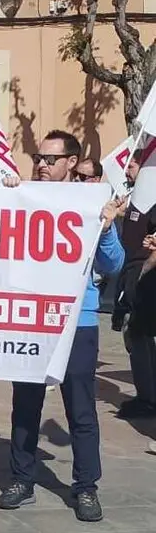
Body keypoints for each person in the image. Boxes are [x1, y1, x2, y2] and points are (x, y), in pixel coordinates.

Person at [0, 130, 124, 522]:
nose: (42, 165)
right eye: (38, 158)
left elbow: (114, 265)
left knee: (80, 410)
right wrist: (8, 196)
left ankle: (85, 487)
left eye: (50, 159)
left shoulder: (92, 204)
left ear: (72, 162)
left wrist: (103, 230)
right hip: (31, 320)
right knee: (26, 404)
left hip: (76, 322)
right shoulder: (25, 195)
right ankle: (21, 480)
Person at [116, 155, 156, 418]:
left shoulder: (151, 200)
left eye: (131, 165)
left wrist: (142, 274)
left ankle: (148, 399)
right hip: (129, 271)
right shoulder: (133, 198)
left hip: (144, 277)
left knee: (138, 333)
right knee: (133, 335)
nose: (126, 170)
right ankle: (147, 394)